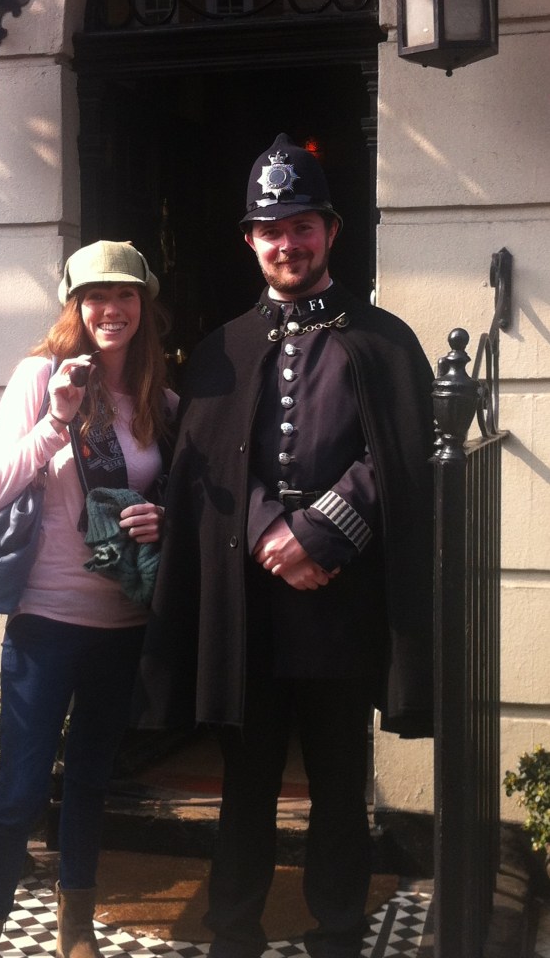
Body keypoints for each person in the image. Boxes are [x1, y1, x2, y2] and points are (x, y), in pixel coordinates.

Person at [137, 134, 435, 958]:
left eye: (302, 225)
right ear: (250, 241)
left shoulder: (382, 339)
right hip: (248, 606)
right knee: (247, 784)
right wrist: (269, 529)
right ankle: (233, 931)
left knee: (339, 784)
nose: (287, 243)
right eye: (271, 229)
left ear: (330, 231)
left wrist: (320, 535)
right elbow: (200, 463)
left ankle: (336, 931)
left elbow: (400, 457)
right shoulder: (219, 349)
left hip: (339, 603)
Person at [0, 240, 177, 958]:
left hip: (124, 621)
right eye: (95, 297)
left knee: (88, 780)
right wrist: (56, 418)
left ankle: (74, 932)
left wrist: (162, 516)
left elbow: (185, 499)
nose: (110, 310)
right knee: (20, 790)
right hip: (45, 621)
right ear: (74, 306)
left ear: (144, 305)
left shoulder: (160, 399)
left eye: (124, 296)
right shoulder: (41, 376)